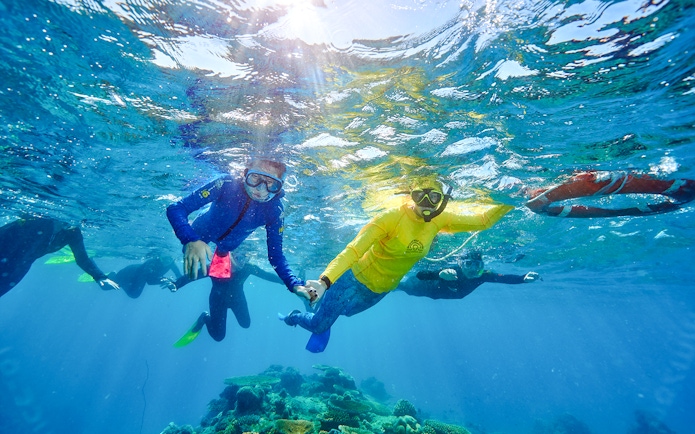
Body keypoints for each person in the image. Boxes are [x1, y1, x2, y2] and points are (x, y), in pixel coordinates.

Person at [280, 177, 514, 352]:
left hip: (381, 290)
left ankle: (323, 309)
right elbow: (353, 250)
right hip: (353, 280)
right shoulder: (390, 218)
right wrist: (324, 282)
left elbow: (483, 221)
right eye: (419, 196)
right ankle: (295, 316)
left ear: (442, 200)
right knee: (319, 326)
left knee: (347, 312)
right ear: (410, 195)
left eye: (433, 197)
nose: (426, 204)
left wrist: (515, 198)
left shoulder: (441, 220)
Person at [166, 158, 308, 343]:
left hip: (226, 249)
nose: (261, 189)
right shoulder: (225, 185)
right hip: (200, 233)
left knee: (240, 317)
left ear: (279, 189)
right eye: (255, 178)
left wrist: (293, 283)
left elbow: (276, 256)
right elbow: (176, 208)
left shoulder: (274, 210)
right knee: (196, 257)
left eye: (271, 184)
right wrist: (190, 239)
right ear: (244, 173)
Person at [170, 250, 288, 346]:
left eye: (247, 258)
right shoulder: (217, 267)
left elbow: (267, 275)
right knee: (218, 337)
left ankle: (208, 318)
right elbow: (195, 275)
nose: (243, 262)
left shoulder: (248, 268)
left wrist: (287, 281)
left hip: (238, 300)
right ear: (231, 255)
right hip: (217, 302)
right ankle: (205, 318)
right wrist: (177, 284)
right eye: (240, 258)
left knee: (245, 324)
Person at [0, 217, 119, 298]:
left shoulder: (73, 233)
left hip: (21, 266)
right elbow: (6, 232)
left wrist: (100, 277)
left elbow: (82, 258)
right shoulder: (39, 218)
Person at [399, 248, 540, 300]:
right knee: (405, 286)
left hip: (449, 294)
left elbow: (503, 278)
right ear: (461, 264)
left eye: (478, 265)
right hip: (426, 289)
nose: (473, 269)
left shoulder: (483, 274)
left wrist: (523, 278)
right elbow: (421, 275)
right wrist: (440, 273)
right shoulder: (453, 270)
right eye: (468, 265)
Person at [106, 254, 182, 299]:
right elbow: (150, 281)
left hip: (140, 277)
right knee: (107, 287)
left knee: (134, 295)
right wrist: (164, 279)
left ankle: (120, 281)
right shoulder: (152, 263)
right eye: (164, 258)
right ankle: (112, 274)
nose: (167, 261)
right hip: (129, 273)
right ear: (160, 257)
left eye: (170, 259)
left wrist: (175, 284)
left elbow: (179, 277)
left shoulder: (172, 263)